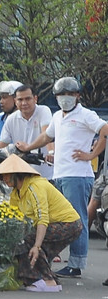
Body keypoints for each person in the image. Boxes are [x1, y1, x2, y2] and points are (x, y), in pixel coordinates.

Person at [10, 76, 108, 279]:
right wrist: (28, 147)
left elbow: (104, 129)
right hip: (60, 172)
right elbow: (47, 137)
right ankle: (56, 259)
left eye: (70, 94)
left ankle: (76, 263)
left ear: (77, 96)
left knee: (76, 219)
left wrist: (92, 155)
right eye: (61, 95)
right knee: (60, 219)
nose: (65, 98)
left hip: (77, 175)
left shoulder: (86, 115)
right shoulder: (57, 117)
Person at [0, 155, 82, 292]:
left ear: (16, 174)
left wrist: (36, 245)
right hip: (52, 225)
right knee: (22, 239)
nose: (4, 179)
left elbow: (42, 218)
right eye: (2, 176)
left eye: (6, 175)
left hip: (68, 224)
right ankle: (41, 278)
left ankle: (48, 281)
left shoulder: (35, 186)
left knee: (29, 240)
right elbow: (15, 218)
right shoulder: (16, 193)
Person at [0, 84, 53, 180]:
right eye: (20, 100)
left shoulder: (43, 111)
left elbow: (47, 136)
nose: (24, 103)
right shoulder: (11, 119)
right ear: (15, 101)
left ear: (35, 99)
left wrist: (51, 153)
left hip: (46, 176)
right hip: (22, 177)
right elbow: (1, 146)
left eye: (28, 99)